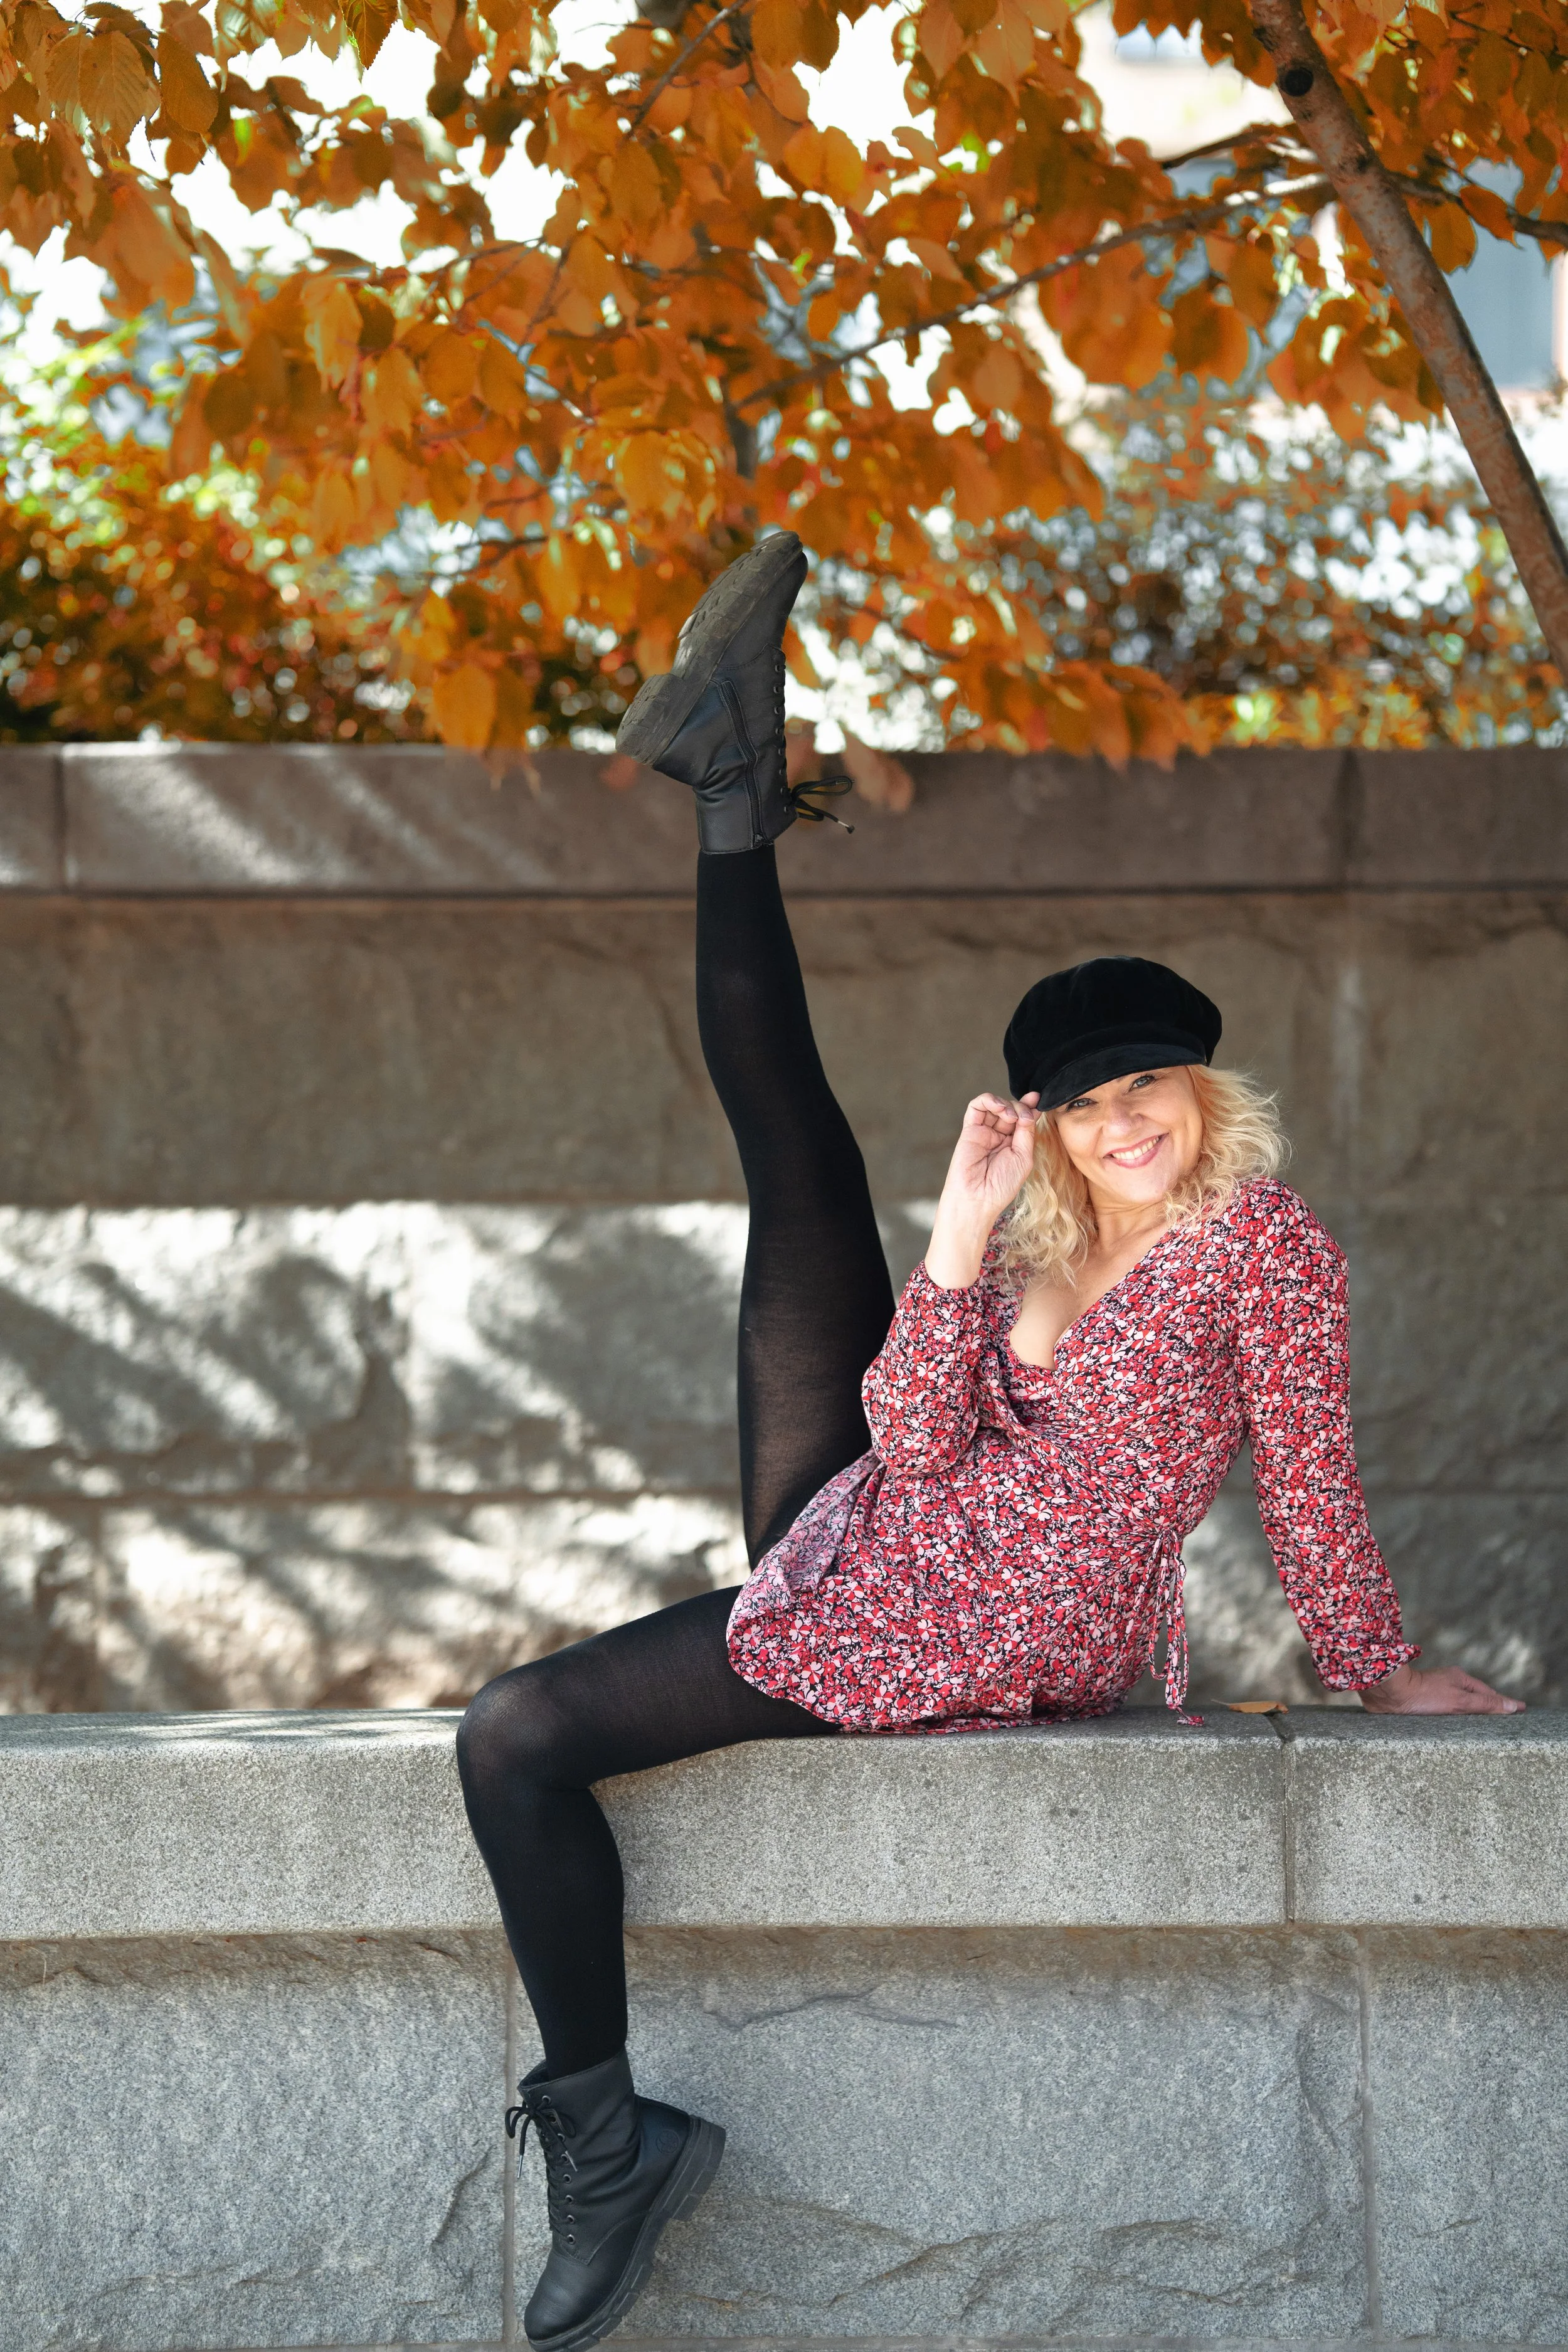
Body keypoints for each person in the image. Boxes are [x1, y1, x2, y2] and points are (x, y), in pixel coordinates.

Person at [456, 531, 1521, 2352]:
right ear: (1053, 1117)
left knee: (517, 1732)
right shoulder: (1044, 1230)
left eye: (1152, 1092)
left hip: (980, 1618)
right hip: (901, 1530)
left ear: (1205, 1090)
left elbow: (1310, 1471)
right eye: (1089, 1105)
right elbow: (910, 1435)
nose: (1126, 1130)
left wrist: (1370, 1668)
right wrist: (955, 1234)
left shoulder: (1261, 1245)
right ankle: (733, 783)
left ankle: (603, 2133)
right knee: (793, 1158)